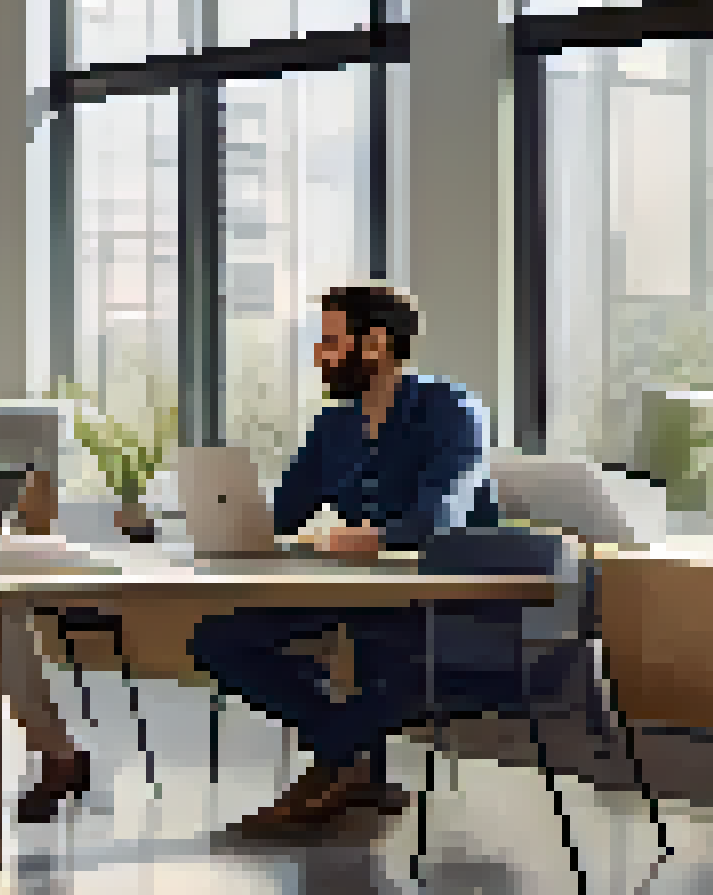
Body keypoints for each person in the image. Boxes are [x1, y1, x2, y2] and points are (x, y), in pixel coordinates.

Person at [189, 284, 499, 838]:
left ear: (376, 342)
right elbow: (280, 516)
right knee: (219, 640)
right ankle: (349, 759)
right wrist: (186, 523)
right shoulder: (334, 427)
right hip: (355, 592)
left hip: (438, 601)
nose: (318, 354)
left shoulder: (452, 410)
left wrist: (376, 536)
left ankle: (341, 767)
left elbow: (442, 517)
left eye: (330, 341)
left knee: (395, 675)